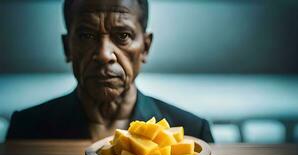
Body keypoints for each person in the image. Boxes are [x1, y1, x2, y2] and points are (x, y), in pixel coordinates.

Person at [6, 0, 214, 142]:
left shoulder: (192, 132)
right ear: (67, 47)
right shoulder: (26, 129)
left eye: (123, 35)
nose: (105, 54)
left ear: (146, 47)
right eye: (87, 35)